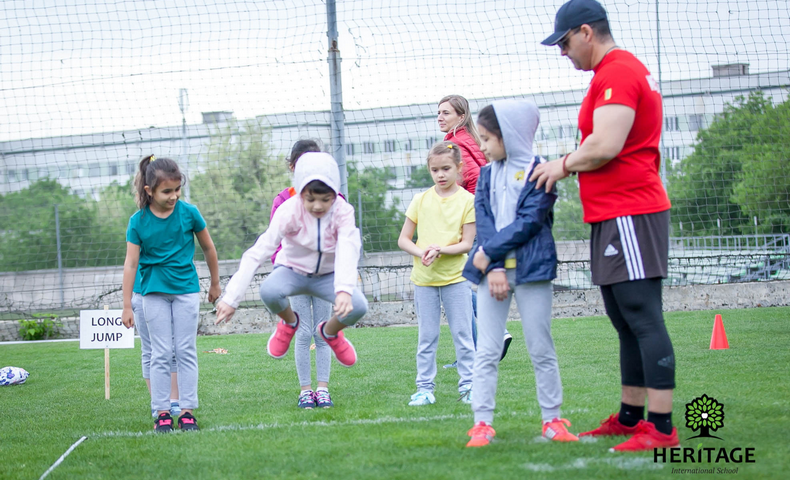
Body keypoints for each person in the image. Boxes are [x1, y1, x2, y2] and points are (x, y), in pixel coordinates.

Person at [532, 0, 678, 452]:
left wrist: (562, 165)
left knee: (640, 313)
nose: (563, 53)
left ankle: (662, 427)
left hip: (631, 210)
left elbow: (606, 144)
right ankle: (632, 418)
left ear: (586, 33)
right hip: (612, 215)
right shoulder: (607, 75)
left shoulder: (618, 71)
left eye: (564, 42)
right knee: (623, 317)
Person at [463, 100, 578, 447]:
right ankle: (481, 423)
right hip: (491, 273)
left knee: (541, 347)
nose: (481, 147)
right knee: (486, 350)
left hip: (532, 272)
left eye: (486, 139)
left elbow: (529, 222)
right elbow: (483, 220)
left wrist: (487, 254)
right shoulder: (485, 174)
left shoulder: (540, 170)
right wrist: (494, 266)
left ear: (508, 136)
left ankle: (552, 420)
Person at [215, 152, 368, 373]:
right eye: (311, 199)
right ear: (300, 193)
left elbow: (348, 247)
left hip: (328, 275)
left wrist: (344, 288)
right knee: (269, 290)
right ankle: (289, 322)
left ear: (334, 195)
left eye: (325, 200)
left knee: (359, 306)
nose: (318, 206)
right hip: (293, 271)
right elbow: (258, 252)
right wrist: (231, 298)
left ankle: (330, 332)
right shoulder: (288, 211)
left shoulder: (343, 211)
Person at [122, 155, 221, 433]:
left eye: (177, 189)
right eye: (167, 191)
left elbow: (209, 248)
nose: (174, 196)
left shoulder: (189, 213)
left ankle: (187, 411)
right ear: (149, 191)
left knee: (186, 349)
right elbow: (130, 264)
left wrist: (215, 283)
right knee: (161, 352)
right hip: (152, 294)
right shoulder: (137, 221)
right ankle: (162, 412)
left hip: (186, 292)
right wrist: (127, 305)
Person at [398, 141, 476, 406]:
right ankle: (424, 389)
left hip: (456, 279)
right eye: (435, 170)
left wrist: (440, 249)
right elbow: (404, 240)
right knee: (427, 337)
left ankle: (469, 386)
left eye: (446, 168)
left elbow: (467, 243)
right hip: (424, 280)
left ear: (459, 168)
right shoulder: (420, 200)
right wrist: (422, 254)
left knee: (463, 336)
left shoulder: (468, 201)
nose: (440, 175)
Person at [437, 95, 513, 366]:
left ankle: (492, 337)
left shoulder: (455, 143)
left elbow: (474, 179)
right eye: (438, 113)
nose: (440, 117)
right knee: (467, 283)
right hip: (485, 217)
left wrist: (465, 214)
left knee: (458, 285)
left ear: (461, 116)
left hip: (474, 219)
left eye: (446, 112)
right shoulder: (470, 140)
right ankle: (474, 351)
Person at [271, 140, 335, 409]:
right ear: (292, 167)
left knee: (323, 331)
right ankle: (305, 390)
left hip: (323, 275)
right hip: (296, 276)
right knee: (303, 330)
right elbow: (274, 241)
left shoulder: (333, 196)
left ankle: (323, 389)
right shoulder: (283, 200)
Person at [132, 267, 181, 418]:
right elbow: (131, 263)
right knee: (149, 349)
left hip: (170, 288)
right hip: (142, 292)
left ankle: (174, 401)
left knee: (172, 348)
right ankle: (157, 402)